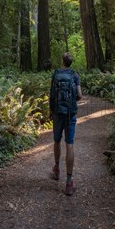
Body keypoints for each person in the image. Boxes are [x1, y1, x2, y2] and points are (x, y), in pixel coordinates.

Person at [49, 52, 82, 196]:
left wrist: (51, 111)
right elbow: (79, 95)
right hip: (70, 114)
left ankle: (56, 170)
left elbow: (51, 95)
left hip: (57, 113)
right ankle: (69, 183)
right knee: (70, 144)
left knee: (57, 141)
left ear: (62, 61)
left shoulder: (55, 74)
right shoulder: (74, 75)